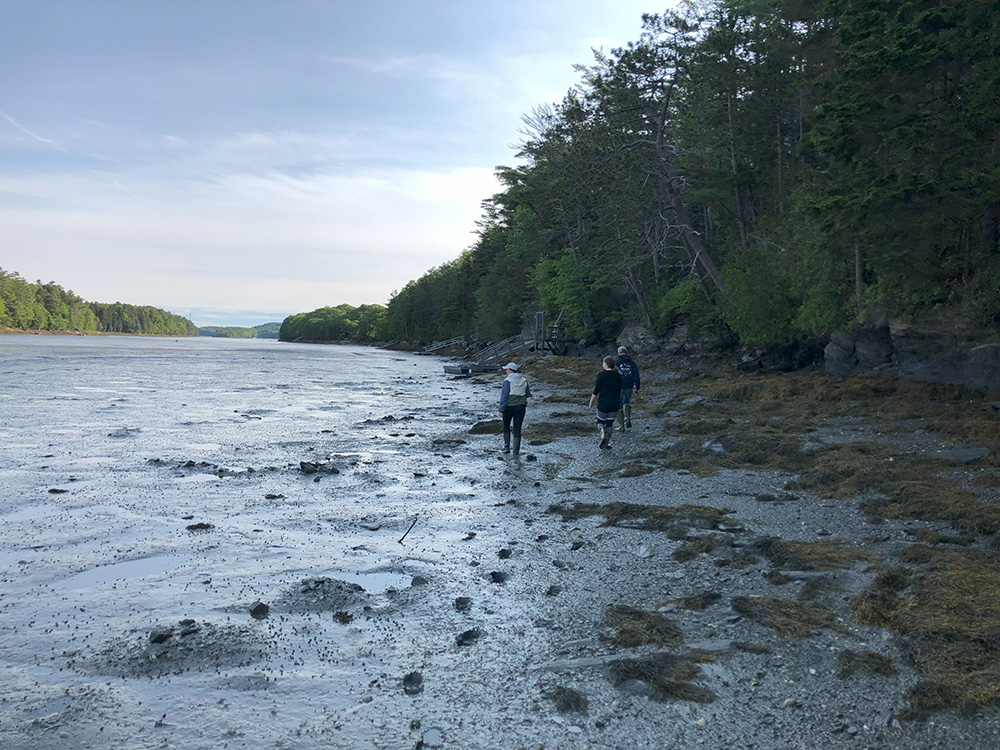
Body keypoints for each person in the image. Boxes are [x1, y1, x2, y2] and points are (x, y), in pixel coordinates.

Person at [589, 356, 622, 450]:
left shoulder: (601, 375)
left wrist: (591, 401)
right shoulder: (618, 376)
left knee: (600, 421)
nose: (602, 364)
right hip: (614, 404)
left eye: (603, 363)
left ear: (606, 364)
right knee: (609, 423)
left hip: (603, 403)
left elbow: (596, 390)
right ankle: (606, 443)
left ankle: (602, 431)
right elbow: (619, 390)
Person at [498, 362, 531, 456]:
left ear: (510, 370)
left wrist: (501, 409)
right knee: (517, 428)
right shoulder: (524, 380)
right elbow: (527, 393)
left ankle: (506, 447)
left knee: (506, 425)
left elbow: (504, 396)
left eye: (507, 369)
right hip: (521, 406)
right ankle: (516, 451)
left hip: (509, 406)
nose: (505, 371)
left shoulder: (507, 381)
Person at [614, 345, 641, 431]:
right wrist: (637, 386)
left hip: (619, 385)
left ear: (618, 352)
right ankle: (628, 419)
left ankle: (622, 426)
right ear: (626, 352)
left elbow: (613, 374)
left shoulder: (616, 362)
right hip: (629, 385)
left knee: (619, 405)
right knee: (627, 401)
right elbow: (636, 375)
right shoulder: (632, 362)